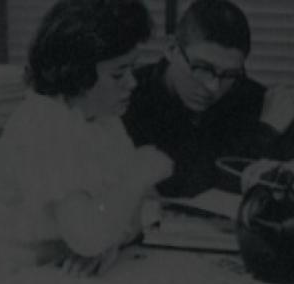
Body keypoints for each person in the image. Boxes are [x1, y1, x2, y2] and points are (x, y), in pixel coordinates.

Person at [0, 0, 174, 284]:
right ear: (78, 73)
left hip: (61, 275)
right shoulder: (43, 124)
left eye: (131, 69)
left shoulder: (103, 118)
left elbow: (145, 208)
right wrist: (138, 176)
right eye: (118, 73)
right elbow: (91, 234)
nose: (132, 83)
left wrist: (110, 242)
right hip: (1, 280)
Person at [123, 0, 294, 198]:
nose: (213, 87)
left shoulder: (251, 97)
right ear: (171, 49)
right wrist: (264, 134)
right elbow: (184, 187)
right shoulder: (127, 96)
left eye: (229, 74)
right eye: (202, 68)